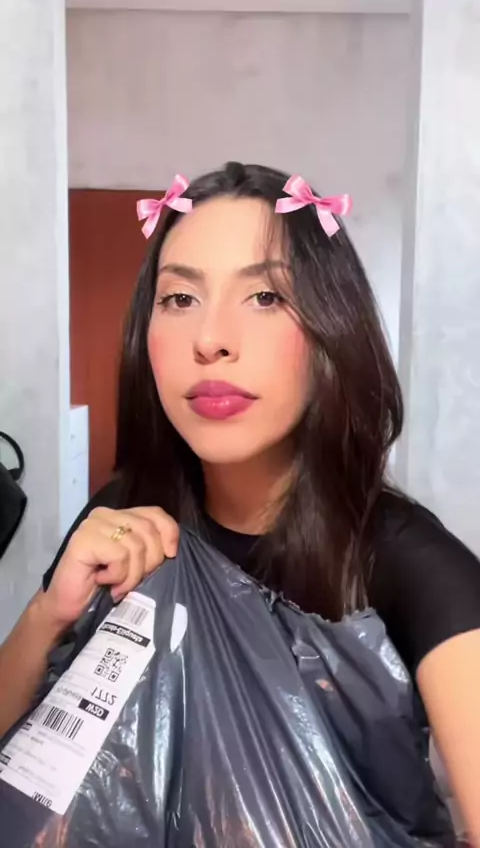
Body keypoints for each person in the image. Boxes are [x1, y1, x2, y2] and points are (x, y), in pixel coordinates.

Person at [1, 161, 480, 843]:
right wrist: (50, 613)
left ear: (332, 329)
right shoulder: (122, 518)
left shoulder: (411, 565)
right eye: (179, 298)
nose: (210, 340)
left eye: (264, 297)